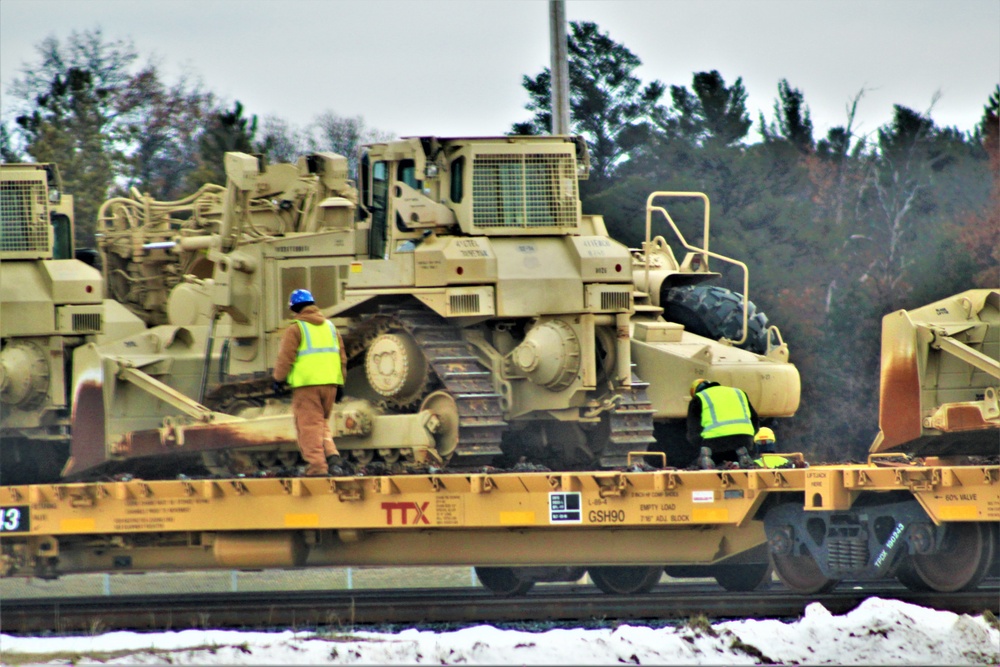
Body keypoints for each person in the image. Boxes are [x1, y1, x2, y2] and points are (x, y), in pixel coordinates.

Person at [272, 289, 348, 476]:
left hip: (307, 386)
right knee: (321, 424)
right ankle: (332, 457)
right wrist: (340, 384)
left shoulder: (296, 328)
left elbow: (285, 358)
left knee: (308, 427)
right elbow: (342, 358)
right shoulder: (330, 327)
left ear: (295, 308)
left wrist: (278, 380)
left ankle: (317, 467)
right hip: (330, 385)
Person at [687, 378, 759, 469]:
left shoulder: (699, 398)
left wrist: (700, 445)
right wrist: (749, 437)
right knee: (741, 450)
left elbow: (693, 431)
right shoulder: (739, 393)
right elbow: (755, 421)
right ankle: (743, 458)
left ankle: (707, 461)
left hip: (714, 444)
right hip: (743, 441)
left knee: (707, 457)